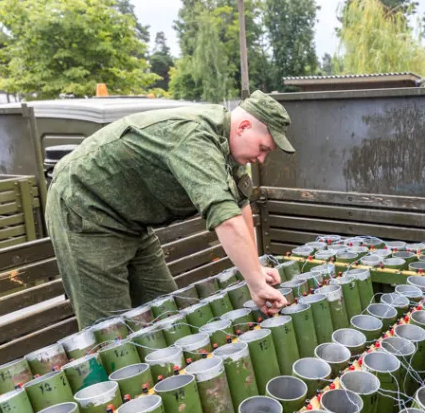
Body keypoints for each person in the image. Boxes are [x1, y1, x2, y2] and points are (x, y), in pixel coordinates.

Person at [46, 91, 293, 329]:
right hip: (85, 209)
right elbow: (226, 219)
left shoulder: (227, 143)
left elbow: (241, 204)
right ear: (243, 127)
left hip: (131, 221)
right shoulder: (194, 138)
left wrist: (256, 269)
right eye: (263, 148)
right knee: (107, 329)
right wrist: (255, 284)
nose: (261, 159)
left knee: (166, 313)